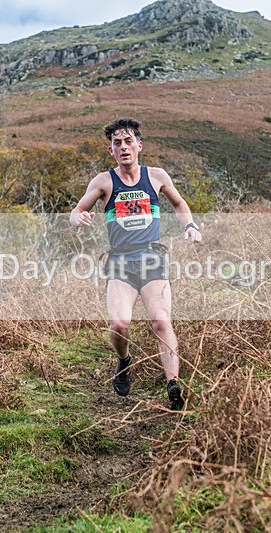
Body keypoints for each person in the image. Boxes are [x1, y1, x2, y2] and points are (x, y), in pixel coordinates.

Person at [70, 117, 202, 410]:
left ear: (139, 146)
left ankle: (173, 385)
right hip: (120, 262)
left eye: (129, 141)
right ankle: (124, 361)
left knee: (160, 321)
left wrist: (190, 225)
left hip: (152, 258)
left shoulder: (156, 176)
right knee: (119, 324)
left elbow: (179, 204)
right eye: (117, 143)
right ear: (111, 151)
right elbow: (77, 210)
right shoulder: (104, 181)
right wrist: (78, 217)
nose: (124, 147)